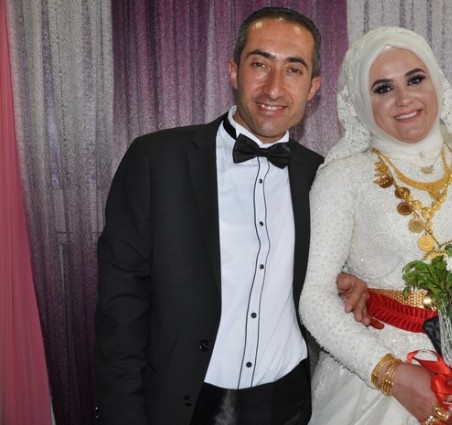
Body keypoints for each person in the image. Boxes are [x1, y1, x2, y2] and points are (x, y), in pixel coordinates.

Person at [94, 7, 369, 425]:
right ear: (234, 72)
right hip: (184, 405)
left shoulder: (323, 176)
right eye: (260, 64)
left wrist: (351, 282)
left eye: (293, 70)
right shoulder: (156, 160)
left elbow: (320, 275)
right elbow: (121, 310)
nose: (274, 87)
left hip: (289, 404)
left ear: (313, 87)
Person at [299, 27, 452, 425]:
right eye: (383, 88)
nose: (404, 99)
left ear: (437, 83)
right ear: (362, 102)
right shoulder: (342, 179)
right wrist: (392, 375)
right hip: (385, 371)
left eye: (415, 79)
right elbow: (314, 295)